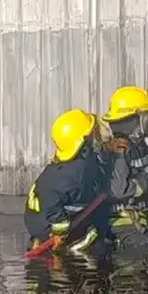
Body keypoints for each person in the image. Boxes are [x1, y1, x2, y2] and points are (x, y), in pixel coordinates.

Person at [24, 108, 112, 255]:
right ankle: (72, 248)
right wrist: (60, 230)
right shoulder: (75, 173)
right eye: (91, 135)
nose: (95, 138)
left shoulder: (73, 164)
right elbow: (51, 198)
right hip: (47, 223)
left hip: (39, 220)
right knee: (96, 239)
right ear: (83, 143)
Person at [101, 85, 148, 251]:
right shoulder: (120, 150)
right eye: (147, 115)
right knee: (146, 249)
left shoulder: (140, 145)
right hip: (120, 216)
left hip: (143, 209)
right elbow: (120, 192)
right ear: (134, 119)